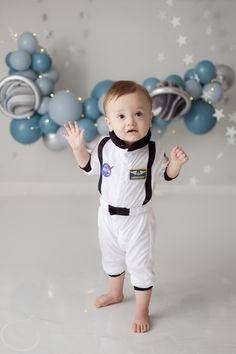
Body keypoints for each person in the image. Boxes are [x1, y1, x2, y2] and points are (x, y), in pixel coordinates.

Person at [61, 80, 189, 333]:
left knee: (139, 265)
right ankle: (115, 292)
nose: (130, 121)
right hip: (107, 216)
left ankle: (142, 309)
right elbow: (89, 167)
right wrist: (78, 149)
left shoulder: (153, 150)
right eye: (121, 116)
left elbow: (166, 175)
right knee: (111, 258)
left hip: (137, 220)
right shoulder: (104, 147)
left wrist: (175, 164)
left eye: (138, 114)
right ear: (109, 123)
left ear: (150, 119)